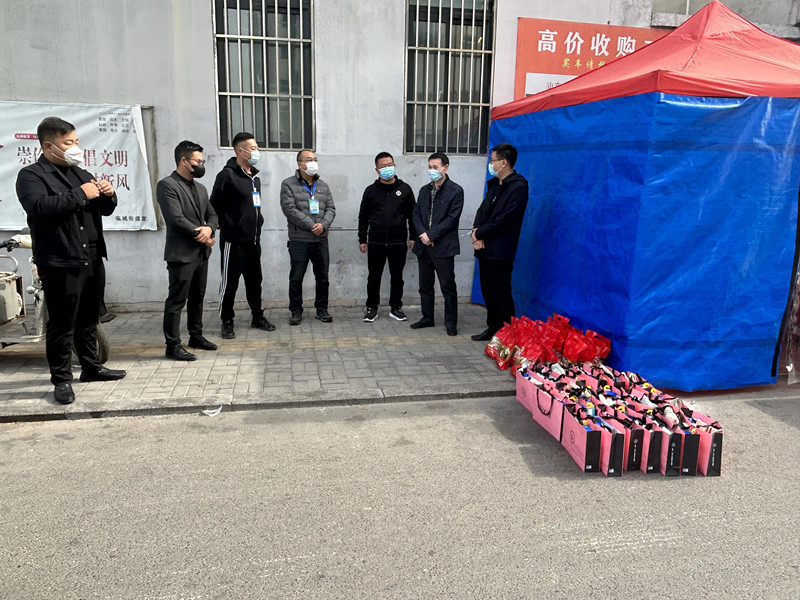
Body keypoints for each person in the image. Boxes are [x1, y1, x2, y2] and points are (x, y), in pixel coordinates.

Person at [16, 116, 126, 405]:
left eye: (76, 141)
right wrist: (81, 194)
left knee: (89, 319)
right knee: (62, 324)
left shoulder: (80, 172)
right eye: (68, 143)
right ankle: (62, 379)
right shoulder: (32, 175)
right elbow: (40, 206)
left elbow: (104, 209)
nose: (75, 147)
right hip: (60, 261)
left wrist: (108, 194)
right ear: (48, 146)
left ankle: (91, 368)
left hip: (92, 257)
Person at [157, 140, 219, 361]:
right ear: (184, 161)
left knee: (197, 297)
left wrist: (210, 228)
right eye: (197, 161)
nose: (201, 164)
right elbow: (176, 219)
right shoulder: (167, 185)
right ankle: (172, 345)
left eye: (202, 161)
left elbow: (213, 214)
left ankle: (196, 335)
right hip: (181, 254)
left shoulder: (200, 188)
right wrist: (203, 235)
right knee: (177, 300)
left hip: (201, 253)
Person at [210, 131, 275, 339]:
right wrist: (227, 225)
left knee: (255, 282)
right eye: (253, 148)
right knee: (230, 282)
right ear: (240, 151)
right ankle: (227, 320)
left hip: (253, 240)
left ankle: (257, 316)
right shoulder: (227, 176)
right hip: (234, 241)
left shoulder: (255, 178)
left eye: (257, 148)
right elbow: (214, 205)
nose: (257, 152)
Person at [470, 143, 529, 341]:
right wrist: (476, 232)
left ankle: (506, 335)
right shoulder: (495, 185)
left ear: (504, 163)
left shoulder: (518, 187)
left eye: (493, 160)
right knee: (488, 292)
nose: (491, 164)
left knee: (501, 293)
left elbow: (505, 219)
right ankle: (492, 328)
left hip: (501, 250)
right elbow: (482, 211)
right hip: (484, 247)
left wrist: (480, 233)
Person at [357, 152, 416, 322]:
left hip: (398, 242)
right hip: (376, 242)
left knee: (397, 277)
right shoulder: (371, 191)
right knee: (374, 277)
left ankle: (396, 307)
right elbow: (363, 217)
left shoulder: (405, 189)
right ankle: (372, 307)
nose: (387, 168)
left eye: (390, 165)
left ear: (394, 165)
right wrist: (362, 239)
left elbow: (413, 215)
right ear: (377, 170)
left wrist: (413, 236)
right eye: (383, 166)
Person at [280, 149, 336, 325]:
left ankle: (322, 309)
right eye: (309, 159)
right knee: (296, 278)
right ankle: (296, 311)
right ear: (300, 164)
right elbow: (289, 209)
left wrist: (323, 225)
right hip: (300, 239)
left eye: (315, 159)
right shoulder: (288, 184)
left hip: (321, 239)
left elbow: (331, 209)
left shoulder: (323, 186)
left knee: (323, 277)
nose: (313, 163)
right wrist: (312, 225)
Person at [411, 152, 464, 336]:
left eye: (435, 167)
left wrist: (431, 235)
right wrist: (423, 235)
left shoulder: (455, 191)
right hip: (424, 246)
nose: (431, 170)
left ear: (445, 168)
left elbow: (452, 219)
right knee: (425, 286)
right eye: (429, 167)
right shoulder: (424, 190)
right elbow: (416, 214)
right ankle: (427, 318)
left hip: (443, 247)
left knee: (447, 286)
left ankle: (451, 323)